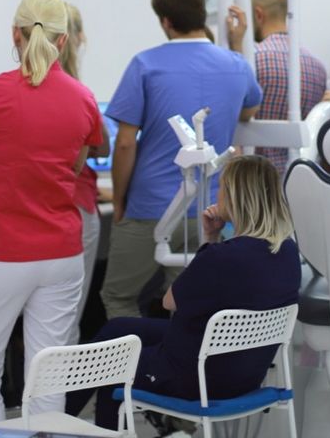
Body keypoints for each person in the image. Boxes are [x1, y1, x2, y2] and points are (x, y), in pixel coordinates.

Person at [0, 0, 103, 423]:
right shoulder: (83, 97)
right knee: (48, 374)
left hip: (1, 251)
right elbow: (74, 168)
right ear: (63, 40)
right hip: (61, 253)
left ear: (15, 34)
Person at [67, 154, 301, 429]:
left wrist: (210, 240)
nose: (218, 194)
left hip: (195, 377)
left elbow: (170, 302)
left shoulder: (222, 257)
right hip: (243, 373)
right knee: (118, 329)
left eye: (222, 188)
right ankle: (60, 421)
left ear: (235, 197)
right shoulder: (287, 251)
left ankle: (62, 423)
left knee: (110, 359)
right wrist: (212, 239)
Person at [101, 0, 262, 320]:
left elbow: (125, 143)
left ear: (166, 21)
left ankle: (133, 357)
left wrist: (119, 200)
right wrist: (236, 46)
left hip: (151, 207)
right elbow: (249, 109)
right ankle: (181, 357)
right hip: (211, 209)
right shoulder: (236, 65)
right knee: (188, 304)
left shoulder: (145, 65)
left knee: (118, 296)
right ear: (202, 13)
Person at [226, 0, 328, 167]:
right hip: (302, 175)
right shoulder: (317, 67)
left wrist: (235, 49)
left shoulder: (252, 61)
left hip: (258, 177)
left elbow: (235, 110)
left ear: (258, 14)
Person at [57, 1, 111, 344]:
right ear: (74, 39)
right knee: (67, 314)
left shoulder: (6, 89)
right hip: (75, 206)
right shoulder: (79, 94)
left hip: (27, 209)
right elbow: (103, 147)